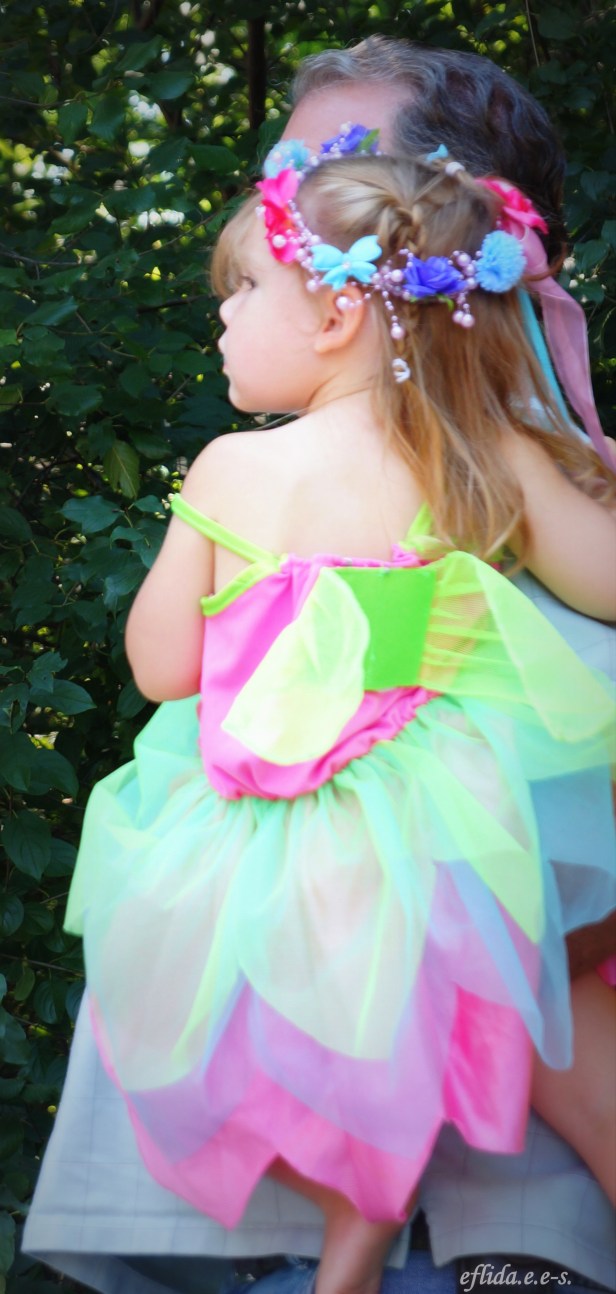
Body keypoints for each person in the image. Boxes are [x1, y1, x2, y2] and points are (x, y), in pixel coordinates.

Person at [22, 40, 616, 1294]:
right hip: (227, 1210)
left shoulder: (395, 465)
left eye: (347, 173)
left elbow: (160, 662)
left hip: (491, 1227)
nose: (302, 202)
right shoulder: (480, 465)